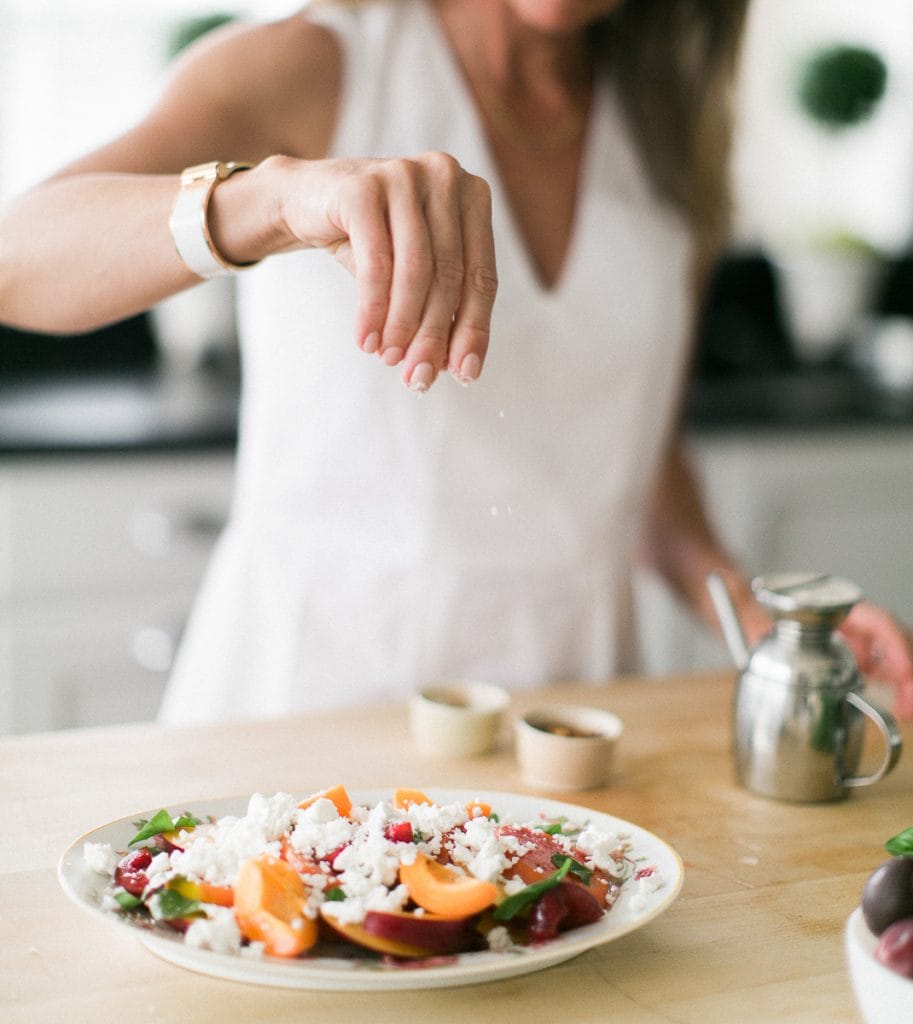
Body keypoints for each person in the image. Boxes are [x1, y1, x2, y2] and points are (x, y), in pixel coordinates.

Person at [1, 0, 912, 722]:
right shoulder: (320, 60)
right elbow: (18, 261)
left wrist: (756, 617)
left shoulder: (674, 134)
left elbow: (629, 449)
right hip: (319, 705)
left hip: (571, 716)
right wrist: (275, 198)